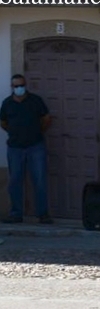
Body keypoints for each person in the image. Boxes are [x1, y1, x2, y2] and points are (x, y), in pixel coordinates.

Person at [0, 74, 52, 224]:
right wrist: (14, 132)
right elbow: (3, 122)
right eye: (16, 86)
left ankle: (42, 214)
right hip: (15, 148)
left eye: (21, 85)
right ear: (12, 87)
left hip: (35, 146)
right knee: (15, 181)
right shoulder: (7, 103)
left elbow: (47, 119)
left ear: (25, 85)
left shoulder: (35, 101)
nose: (19, 88)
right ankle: (16, 214)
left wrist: (37, 131)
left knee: (40, 180)